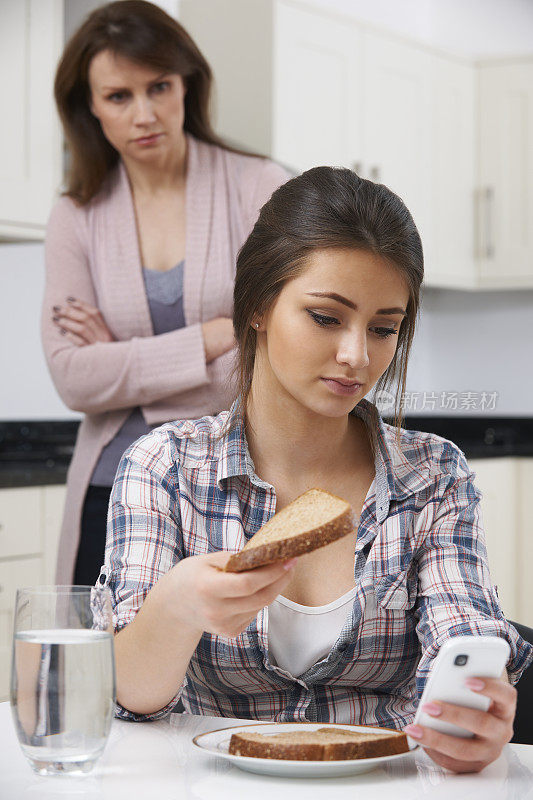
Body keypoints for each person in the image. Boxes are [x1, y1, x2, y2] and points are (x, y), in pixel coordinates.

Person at [100, 167, 533, 774]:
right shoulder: (165, 466)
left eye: (384, 328)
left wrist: (474, 719)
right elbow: (130, 702)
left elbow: (461, 638)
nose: (357, 355)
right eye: (327, 318)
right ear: (257, 308)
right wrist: (176, 605)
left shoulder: (433, 475)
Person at [41, 0, 290, 585]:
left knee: (231, 670)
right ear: (90, 107)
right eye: (119, 96)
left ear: (188, 84)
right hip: (112, 484)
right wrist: (216, 334)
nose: (144, 114)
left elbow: (285, 353)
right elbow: (73, 378)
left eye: (159, 86)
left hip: (233, 486)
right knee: (107, 669)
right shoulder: (74, 215)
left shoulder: (259, 186)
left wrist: (125, 363)